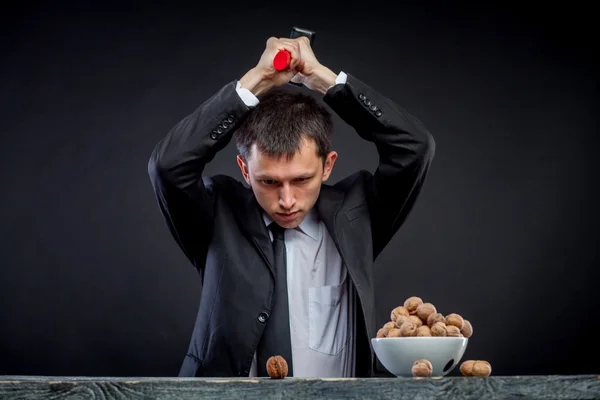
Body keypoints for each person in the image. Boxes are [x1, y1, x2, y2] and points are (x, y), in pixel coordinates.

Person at [147, 35, 435, 378]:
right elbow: (168, 165)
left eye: (301, 180)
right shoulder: (216, 214)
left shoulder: (357, 215)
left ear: (328, 166)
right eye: (269, 182)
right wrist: (257, 79)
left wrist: (324, 79)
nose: (286, 200)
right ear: (244, 171)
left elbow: (414, 147)